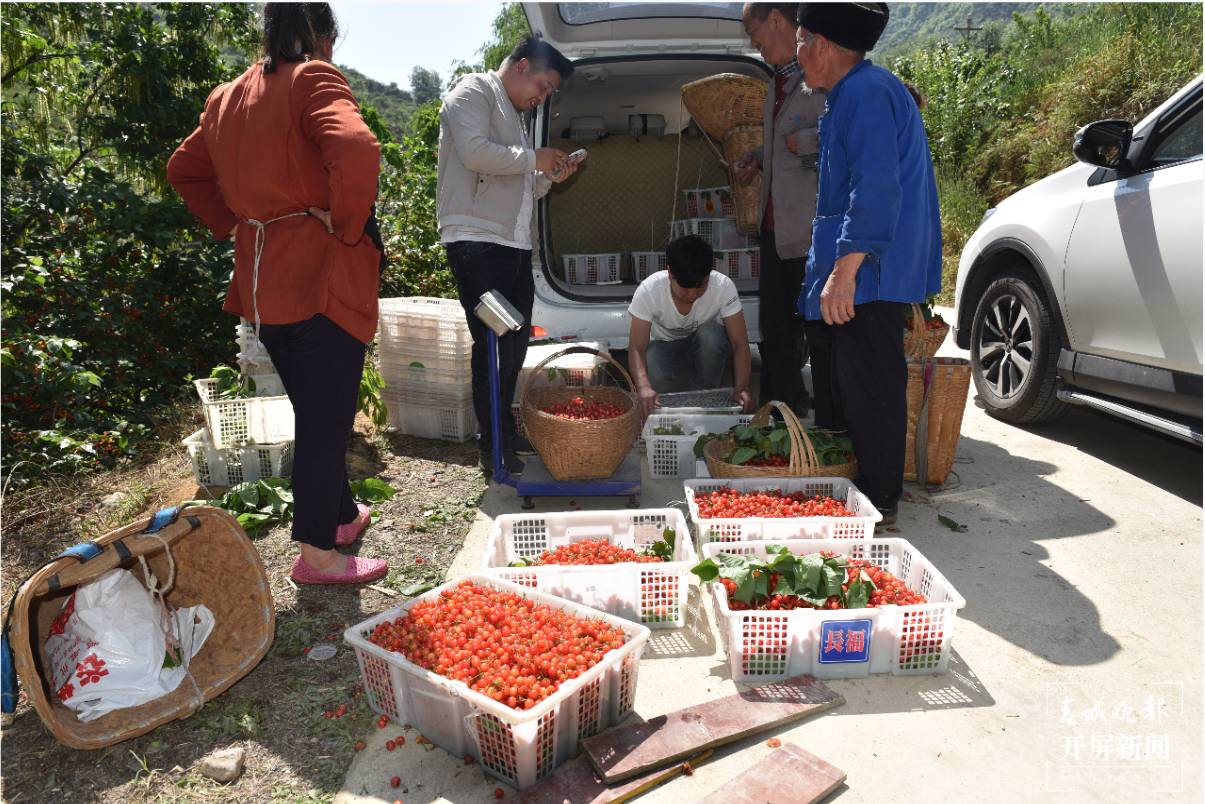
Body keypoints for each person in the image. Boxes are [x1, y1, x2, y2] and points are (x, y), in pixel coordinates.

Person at [168, 3, 388, 584]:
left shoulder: (226, 98)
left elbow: (183, 170)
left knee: (316, 412)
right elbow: (358, 149)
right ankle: (318, 556)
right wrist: (346, 225)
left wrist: (239, 220)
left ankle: (338, 517)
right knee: (325, 422)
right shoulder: (312, 76)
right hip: (319, 275)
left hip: (263, 283)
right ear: (323, 34)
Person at [793, 2, 943, 524]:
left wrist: (845, 270)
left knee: (874, 384)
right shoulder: (850, 94)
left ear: (822, 47)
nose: (796, 53)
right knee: (850, 381)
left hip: (873, 269)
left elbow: (876, 187)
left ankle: (881, 502)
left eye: (799, 41)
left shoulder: (867, 92)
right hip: (863, 264)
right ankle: (861, 490)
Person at [437, 36, 578, 477]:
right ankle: (491, 445)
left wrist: (550, 174)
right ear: (521, 66)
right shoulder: (473, 91)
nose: (543, 96)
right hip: (477, 243)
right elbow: (476, 153)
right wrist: (533, 158)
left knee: (514, 344)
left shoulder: (517, 119)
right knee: (493, 344)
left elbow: (523, 184)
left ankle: (499, 432)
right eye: (543, 84)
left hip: (513, 247)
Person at [732, 2, 827, 420]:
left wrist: (805, 142)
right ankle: (779, 419)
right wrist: (758, 156)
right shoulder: (777, 83)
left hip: (808, 230)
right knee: (775, 330)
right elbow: (782, 139)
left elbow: (847, 131)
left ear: (776, 19)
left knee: (818, 331)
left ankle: (827, 423)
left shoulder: (822, 75)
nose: (753, 43)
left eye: (755, 32)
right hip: (774, 228)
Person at [628, 235, 756, 418]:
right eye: (685, 287)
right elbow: (636, 348)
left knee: (713, 334)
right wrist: (643, 387)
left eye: (701, 286)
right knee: (654, 375)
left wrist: (741, 389)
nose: (692, 294)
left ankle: (706, 397)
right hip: (664, 348)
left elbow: (740, 343)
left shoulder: (724, 287)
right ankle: (697, 390)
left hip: (703, 346)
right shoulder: (649, 291)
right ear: (670, 273)